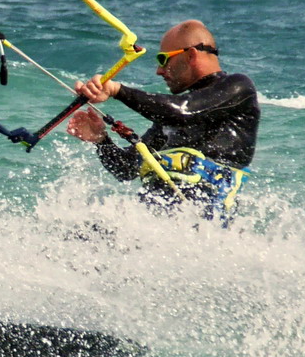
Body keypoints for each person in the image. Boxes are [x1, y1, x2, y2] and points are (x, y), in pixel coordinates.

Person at [67, 19, 259, 224]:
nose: (159, 70)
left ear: (191, 55)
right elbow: (127, 168)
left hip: (201, 227)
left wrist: (117, 90)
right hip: (155, 227)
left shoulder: (238, 87)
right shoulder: (168, 120)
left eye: (163, 59)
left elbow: (183, 111)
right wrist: (100, 139)